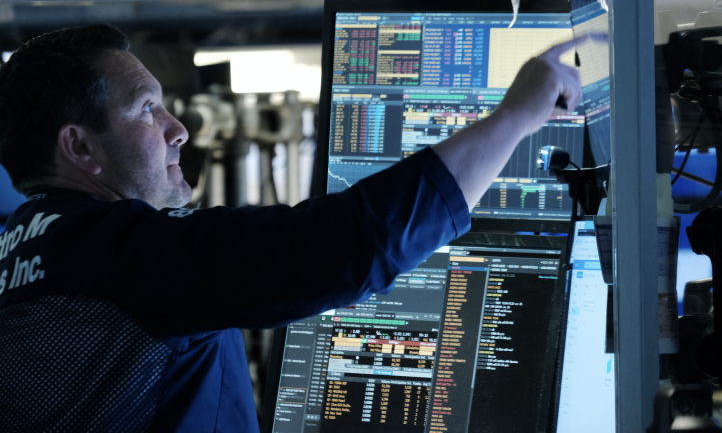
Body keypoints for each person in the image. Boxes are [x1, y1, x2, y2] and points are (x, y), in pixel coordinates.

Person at [0, 25, 585, 433]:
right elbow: (354, 242)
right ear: (79, 147)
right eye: (146, 109)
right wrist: (516, 116)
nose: (176, 129)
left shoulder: (27, 243)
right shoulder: (118, 250)